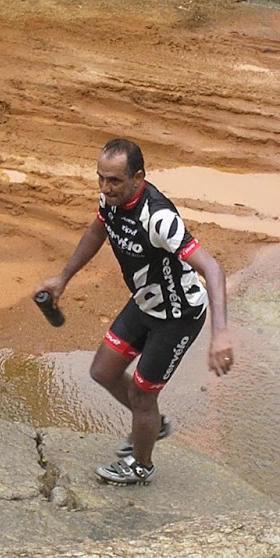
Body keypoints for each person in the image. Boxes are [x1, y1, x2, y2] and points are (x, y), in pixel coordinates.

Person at [35, 138, 233, 485]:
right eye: (100, 178)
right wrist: (63, 278)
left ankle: (142, 466)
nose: (104, 187)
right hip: (145, 302)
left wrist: (220, 334)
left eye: (114, 180)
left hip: (178, 317)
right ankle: (152, 424)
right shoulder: (111, 201)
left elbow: (213, 270)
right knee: (103, 371)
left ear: (138, 177)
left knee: (143, 394)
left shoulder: (159, 219)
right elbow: (96, 232)